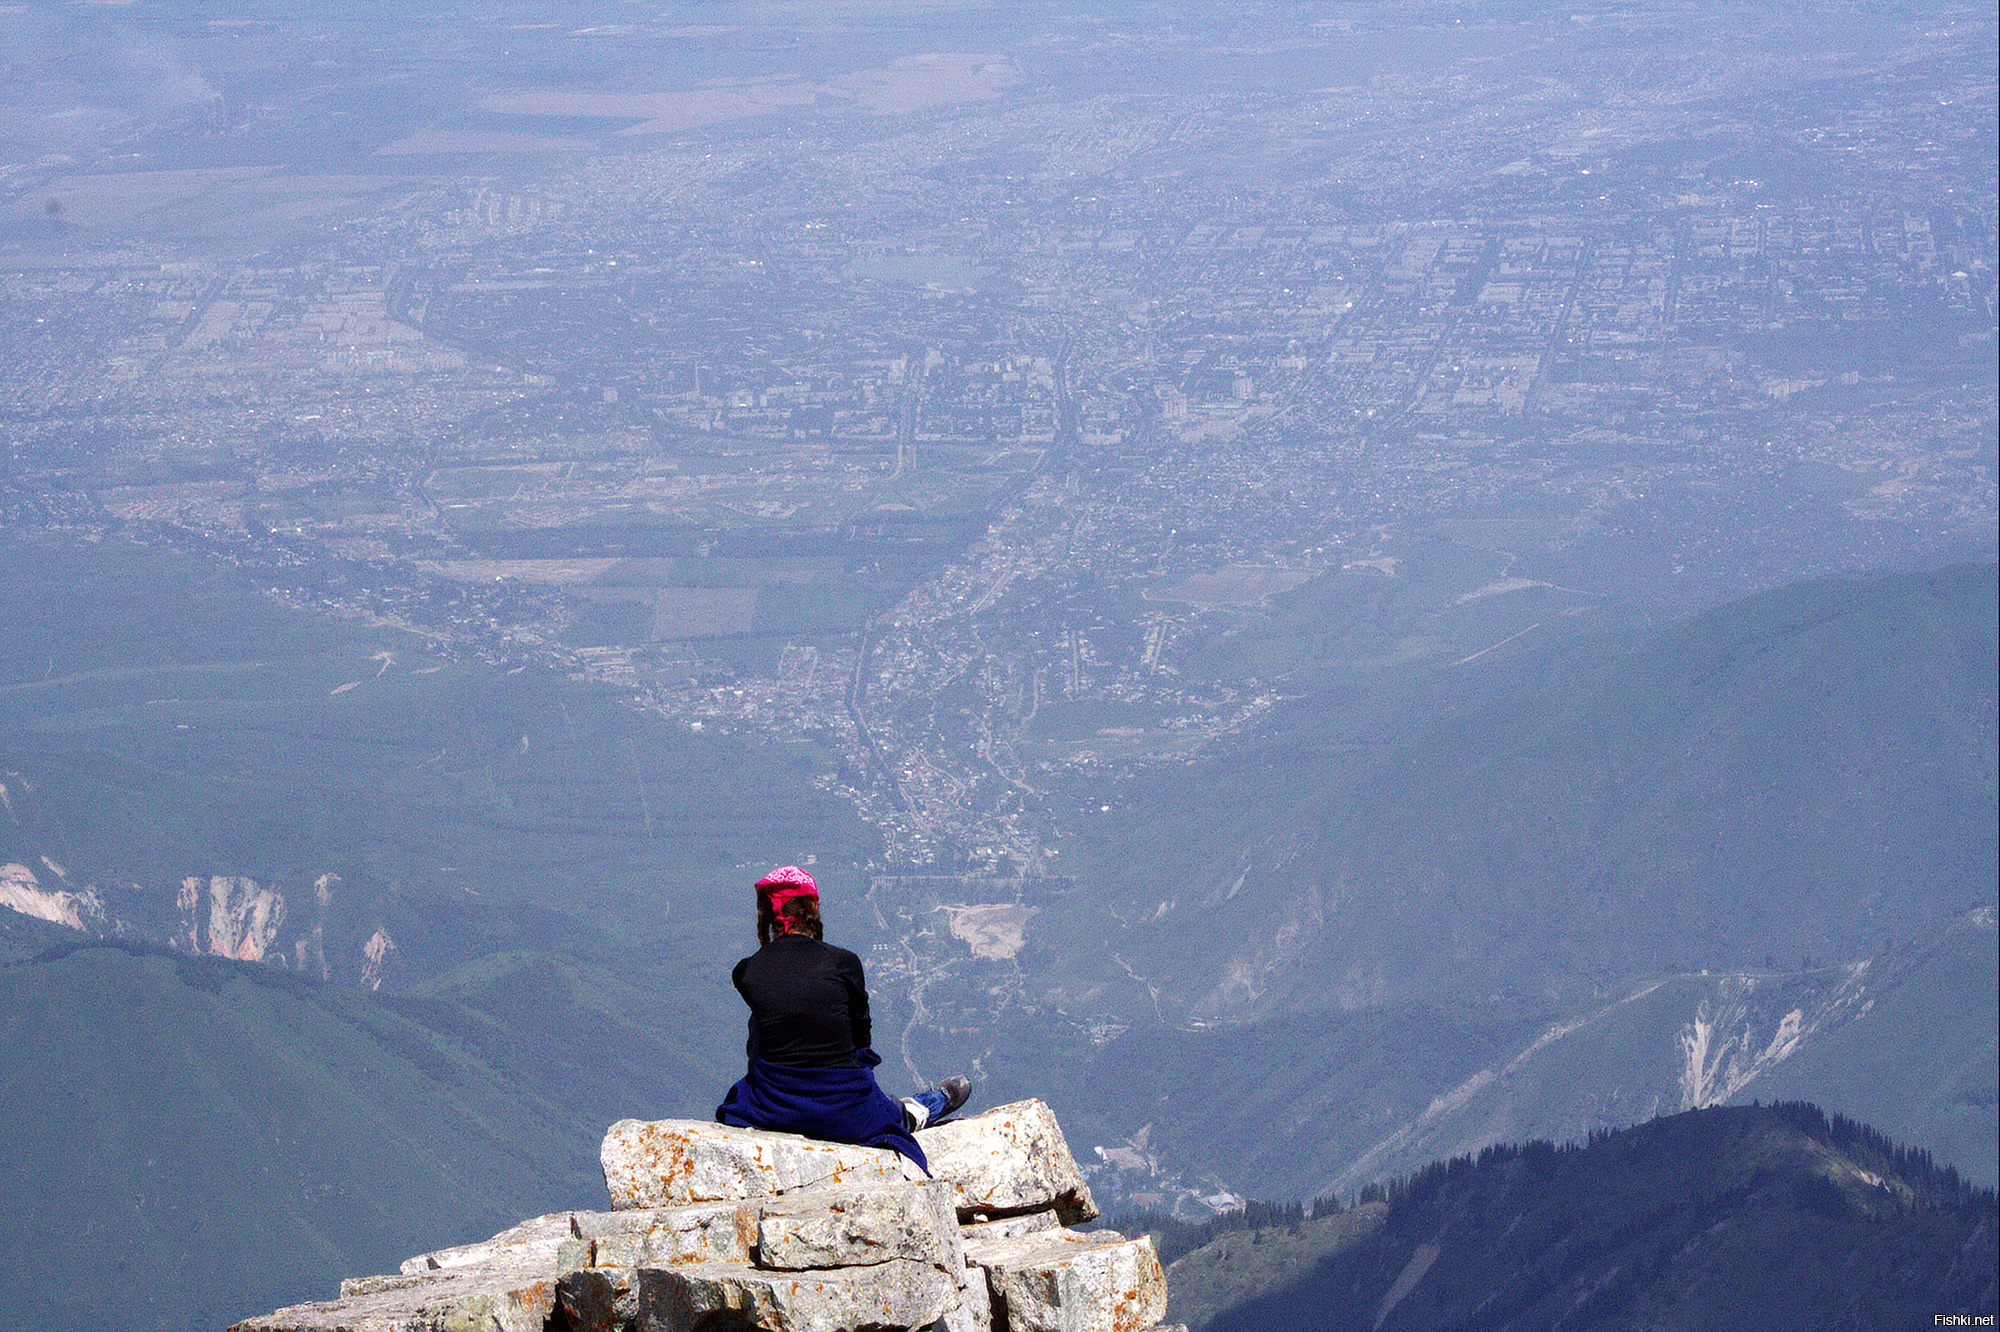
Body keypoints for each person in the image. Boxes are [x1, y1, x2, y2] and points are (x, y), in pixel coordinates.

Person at [715, 865, 971, 1171]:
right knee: (889, 1112)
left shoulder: (746, 972)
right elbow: (861, 1043)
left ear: (766, 914)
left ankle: (889, 1105)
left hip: (771, 1106)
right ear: (813, 909)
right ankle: (927, 1106)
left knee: (761, 1021)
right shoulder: (843, 962)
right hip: (842, 1111)